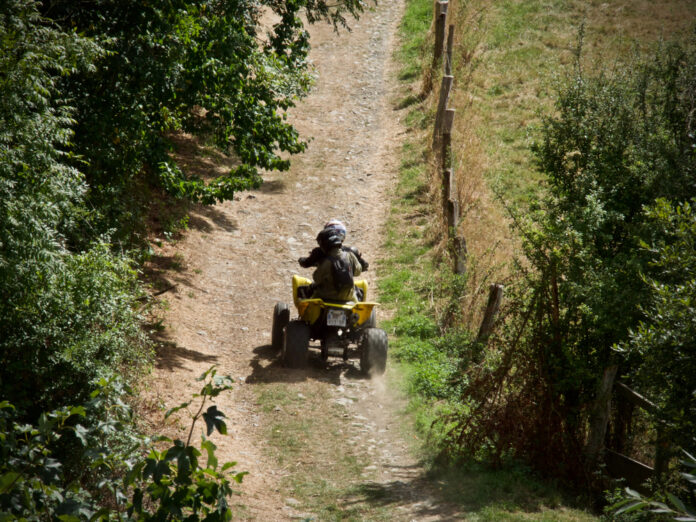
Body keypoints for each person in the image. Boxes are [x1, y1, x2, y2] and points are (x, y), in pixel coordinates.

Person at [298, 220, 369, 271]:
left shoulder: (318, 252)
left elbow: (305, 263)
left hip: (324, 287)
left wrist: (301, 260)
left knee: (302, 288)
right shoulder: (351, 251)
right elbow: (365, 266)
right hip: (348, 288)